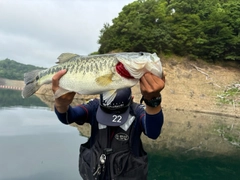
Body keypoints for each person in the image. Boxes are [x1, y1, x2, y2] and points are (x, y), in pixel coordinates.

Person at [52, 69, 165, 180]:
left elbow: (153, 132)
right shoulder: (94, 107)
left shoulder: (137, 111)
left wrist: (152, 101)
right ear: (100, 100)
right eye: (107, 112)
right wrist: (61, 104)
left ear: (132, 99)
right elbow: (68, 117)